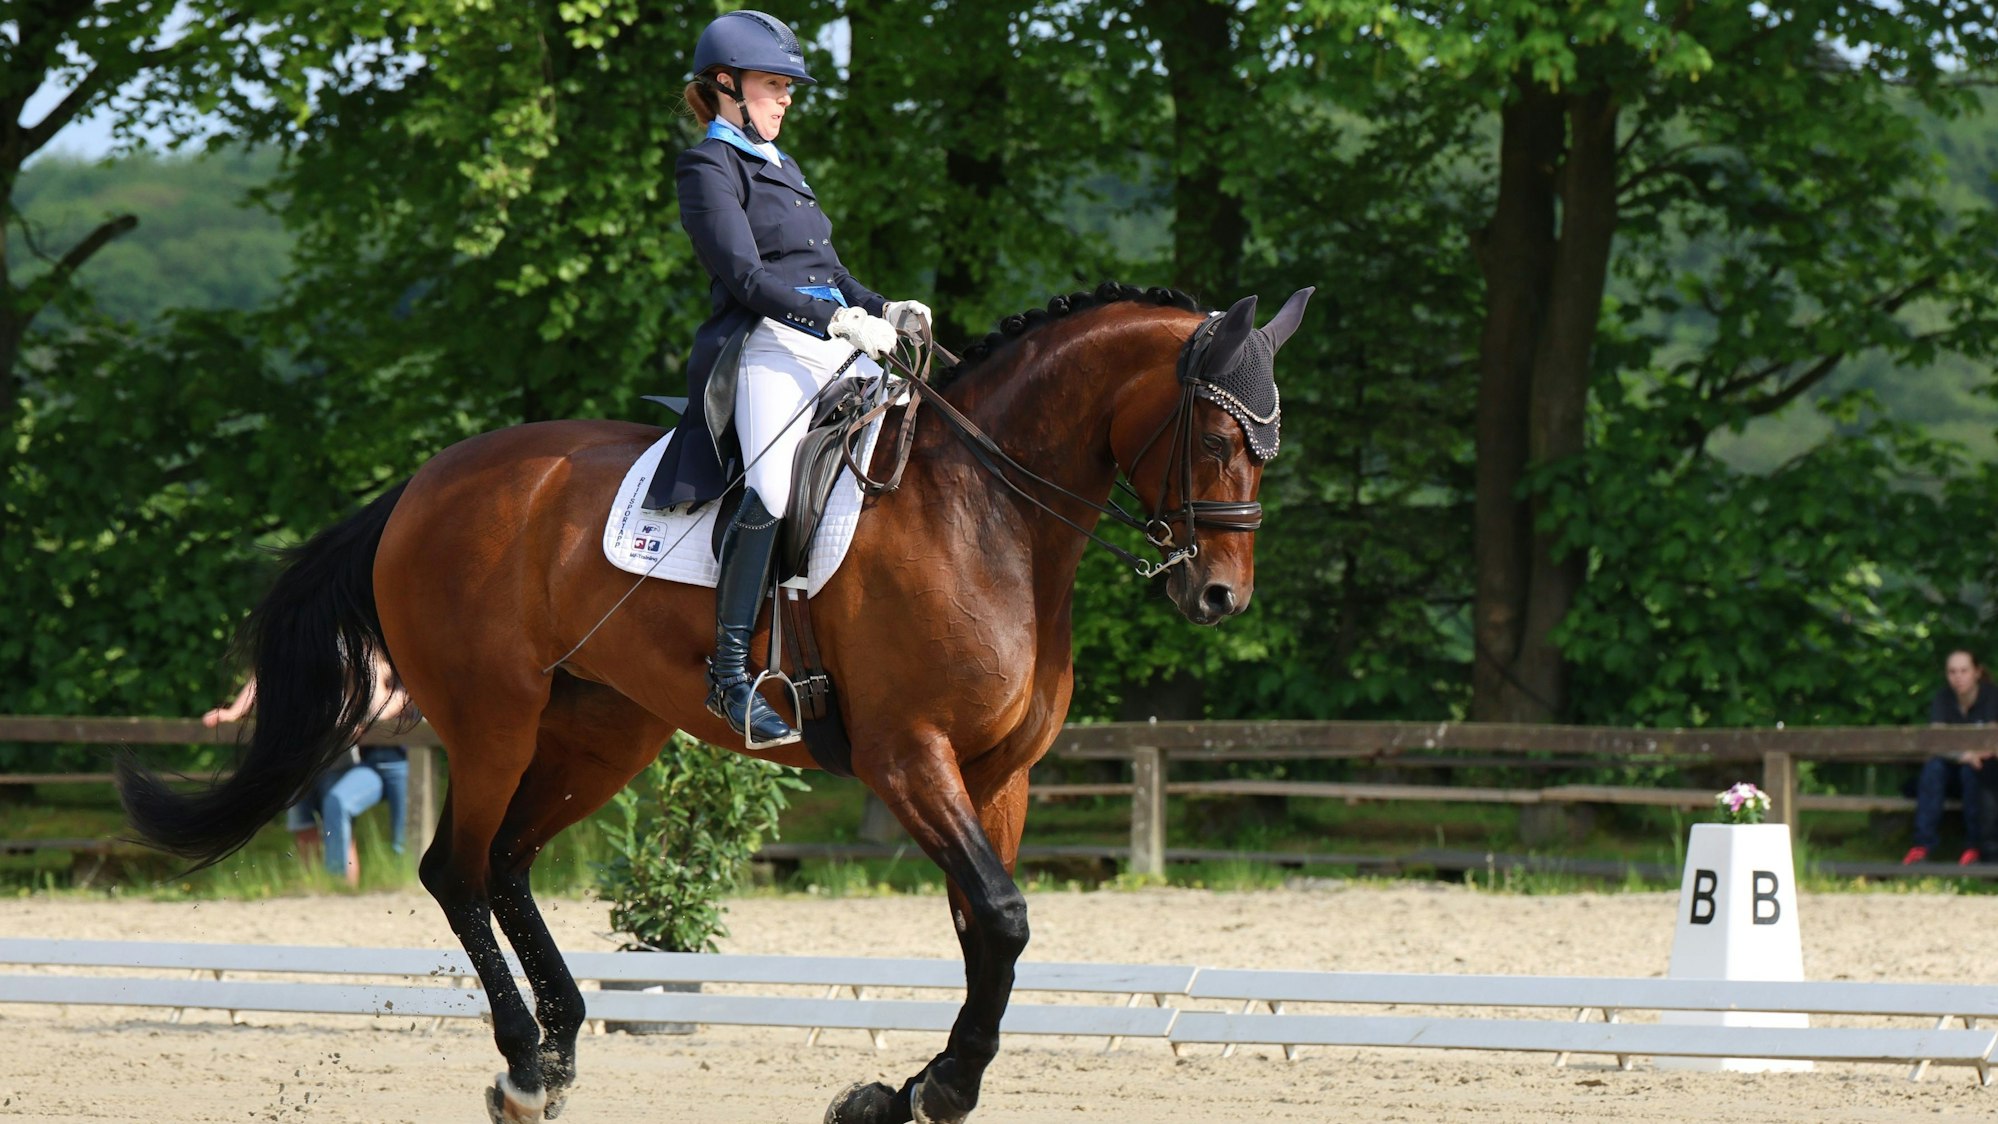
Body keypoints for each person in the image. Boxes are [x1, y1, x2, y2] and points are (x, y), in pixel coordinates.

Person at [643, 10, 931, 750]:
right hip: (766, 347)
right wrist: (834, 322)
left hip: (835, 346)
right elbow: (742, 276)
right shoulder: (710, 166)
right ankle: (731, 676)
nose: (786, 99)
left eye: (788, 88)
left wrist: (880, 307)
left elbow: (830, 273)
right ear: (726, 86)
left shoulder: (782, 165)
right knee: (771, 489)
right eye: (774, 85)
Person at [200, 649, 413, 886]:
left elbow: (373, 683)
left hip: (335, 753)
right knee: (304, 826)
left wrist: (359, 720)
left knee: (338, 820)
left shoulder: (349, 645)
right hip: (298, 757)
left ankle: (342, 887)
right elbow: (264, 671)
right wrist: (236, 711)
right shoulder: (295, 644)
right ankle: (318, 887)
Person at [1904, 648, 1998, 866]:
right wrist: (1964, 755)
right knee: (1933, 768)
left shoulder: (1992, 696)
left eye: (1964, 671)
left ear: (1977, 672)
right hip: (1952, 767)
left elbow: (1993, 740)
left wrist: (1973, 756)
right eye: (1952, 672)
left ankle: (1974, 848)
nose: (1958, 677)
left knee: (1974, 771)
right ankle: (1921, 847)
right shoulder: (1943, 699)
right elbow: (1936, 741)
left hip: (1982, 771)